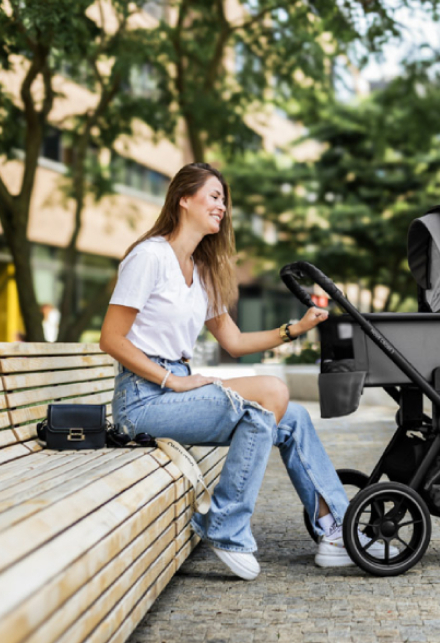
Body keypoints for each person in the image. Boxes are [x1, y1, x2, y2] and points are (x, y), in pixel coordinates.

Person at [99, 162, 349, 581]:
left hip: (175, 394)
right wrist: (173, 380)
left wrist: (295, 329)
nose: (222, 206)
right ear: (183, 198)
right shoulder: (149, 257)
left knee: (292, 416)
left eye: (224, 200)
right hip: (142, 401)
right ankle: (226, 528)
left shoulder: (201, 273)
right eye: (214, 196)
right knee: (263, 403)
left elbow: (234, 342)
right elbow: (111, 339)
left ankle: (335, 530)